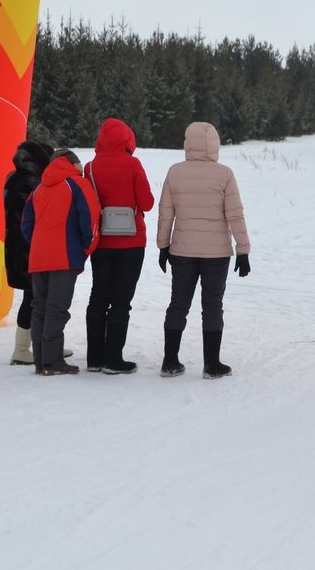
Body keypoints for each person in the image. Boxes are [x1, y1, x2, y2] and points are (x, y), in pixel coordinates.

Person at [156, 121, 250, 379]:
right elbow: (235, 214)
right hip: (216, 254)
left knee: (178, 304)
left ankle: (170, 361)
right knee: (212, 306)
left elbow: (166, 214)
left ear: (188, 143)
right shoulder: (225, 174)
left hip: (182, 251)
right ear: (214, 144)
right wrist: (243, 249)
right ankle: (212, 365)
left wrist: (163, 246)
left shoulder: (175, 172)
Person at [83, 118, 155, 374]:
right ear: (128, 139)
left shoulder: (90, 167)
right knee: (121, 301)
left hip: (101, 242)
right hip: (131, 241)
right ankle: (113, 359)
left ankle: (94, 359)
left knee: (98, 296)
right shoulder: (133, 164)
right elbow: (146, 203)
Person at [21, 148, 100, 375]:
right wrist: (86, 248)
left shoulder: (39, 188)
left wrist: (37, 244)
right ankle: (52, 362)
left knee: (39, 309)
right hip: (64, 256)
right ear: (72, 164)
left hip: (39, 257)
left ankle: (41, 362)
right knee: (56, 309)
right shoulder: (77, 184)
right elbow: (90, 219)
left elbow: (26, 223)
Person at [3, 139, 57, 365]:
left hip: (16, 246)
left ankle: (40, 344)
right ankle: (23, 350)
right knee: (35, 298)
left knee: (34, 297)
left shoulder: (12, 178)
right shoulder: (34, 183)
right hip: (30, 248)